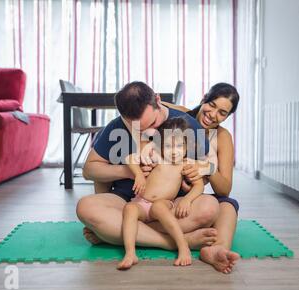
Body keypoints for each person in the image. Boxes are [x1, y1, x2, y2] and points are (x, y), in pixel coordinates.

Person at [77, 82, 222, 268]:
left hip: (171, 205)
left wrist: (194, 178)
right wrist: (128, 172)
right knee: (85, 207)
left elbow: (206, 170)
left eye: (153, 123)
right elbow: (89, 170)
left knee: (209, 207)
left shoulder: (185, 125)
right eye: (138, 128)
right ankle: (172, 241)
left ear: (158, 100)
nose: (149, 133)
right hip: (128, 201)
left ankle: (112, 233)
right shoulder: (117, 126)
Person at [161, 83, 241, 274]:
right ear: (204, 98)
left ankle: (216, 249)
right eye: (212, 105)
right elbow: (155, 106)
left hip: (192, 200)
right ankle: (181, 237)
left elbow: (224, 189)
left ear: (228, 117)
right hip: (165, 195)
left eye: (222, 113)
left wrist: (207, 169)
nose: (213, 115)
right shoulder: (180, 118)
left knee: (228, 205)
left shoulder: (222, 137)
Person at [118, 117, 204, 270]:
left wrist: (187, 200)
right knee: (129, 208)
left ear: (187, 147)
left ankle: (183, 246)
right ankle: (130, 253)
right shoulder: (157, 156)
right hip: (141, 202)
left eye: (179, 145)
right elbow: (130, 158)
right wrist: (138, 174)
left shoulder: (186, 164)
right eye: (168, 145)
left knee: (158, 207)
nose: (174, 151)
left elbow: (199, 186)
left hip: (163, 204)